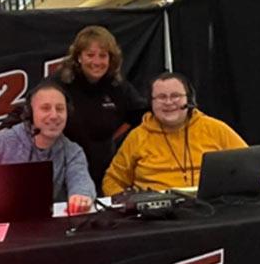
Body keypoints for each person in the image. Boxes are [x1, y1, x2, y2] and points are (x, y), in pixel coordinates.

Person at [0, 80, 96, 214]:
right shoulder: (3, 141)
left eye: (60, 109)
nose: (54, 115)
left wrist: (81, 197)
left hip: (45, 232)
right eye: (45, 108)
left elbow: (82, 183)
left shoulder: (73, 151)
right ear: (30, 114)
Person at [102, 72, 247, 195]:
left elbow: (249, 167)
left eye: (175, 96)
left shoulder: (215, 129)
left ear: (189, 99)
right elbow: (112, 182)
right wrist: (128, 206)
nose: (169, 102)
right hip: (155, 220)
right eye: (161, 97)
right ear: (151, 103)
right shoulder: (137, 137)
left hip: (212, 211)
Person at [55, 25, 147, 192]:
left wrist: (113, 139)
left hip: (105, 171)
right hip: (66, 173)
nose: (96, 62)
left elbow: (140, 113)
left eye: (103, 56)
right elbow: (34, 109)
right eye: (90, 55)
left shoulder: (117, 85)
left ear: (110, 59)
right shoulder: (59, 83)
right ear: (78, 57)